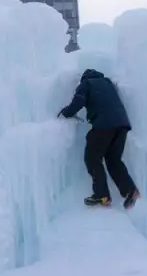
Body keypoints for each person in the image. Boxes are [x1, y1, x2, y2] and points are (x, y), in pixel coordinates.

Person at [58, 69, 141, 209]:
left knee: (92, 158)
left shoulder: (86, 84)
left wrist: (65, 113)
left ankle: (102, 195)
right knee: (113, 160)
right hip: (122, 125)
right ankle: (130, 190)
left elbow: (78, 102)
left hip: (104, 124)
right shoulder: (108, 83)